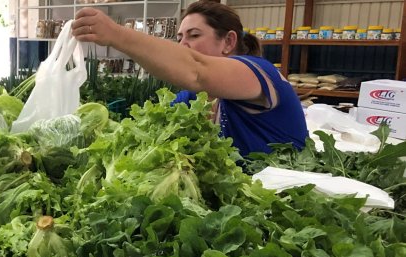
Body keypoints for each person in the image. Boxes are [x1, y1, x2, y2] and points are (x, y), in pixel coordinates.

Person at [72, 1, 308, 156]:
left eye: (194, 35)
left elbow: (196, 70)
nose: (184, 45)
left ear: (228, 41)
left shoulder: (258, 72)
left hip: (287, 207)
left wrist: (115, 34)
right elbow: (147, 130)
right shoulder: (195, 99)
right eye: (180, 38)